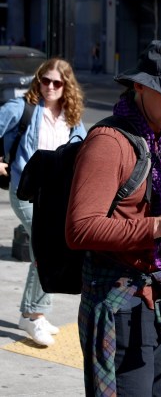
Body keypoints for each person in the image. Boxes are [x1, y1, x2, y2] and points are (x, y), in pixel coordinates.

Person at [65, 40, 161, 396]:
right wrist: (160, 224)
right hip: (123, 307)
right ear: (140, 86)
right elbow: (79, 229)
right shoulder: (109, 141)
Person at [0, 58, 87, 346]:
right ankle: (32, 314)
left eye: (57, 83)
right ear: (39, 81)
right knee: (47, 247)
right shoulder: (21, 108)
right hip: (24, 190)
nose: (50, 87)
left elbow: (84, 150)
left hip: (54, 195)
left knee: (48, 248)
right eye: (45, 80)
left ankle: (35, 312)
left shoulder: (73, 118)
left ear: (66, 87)